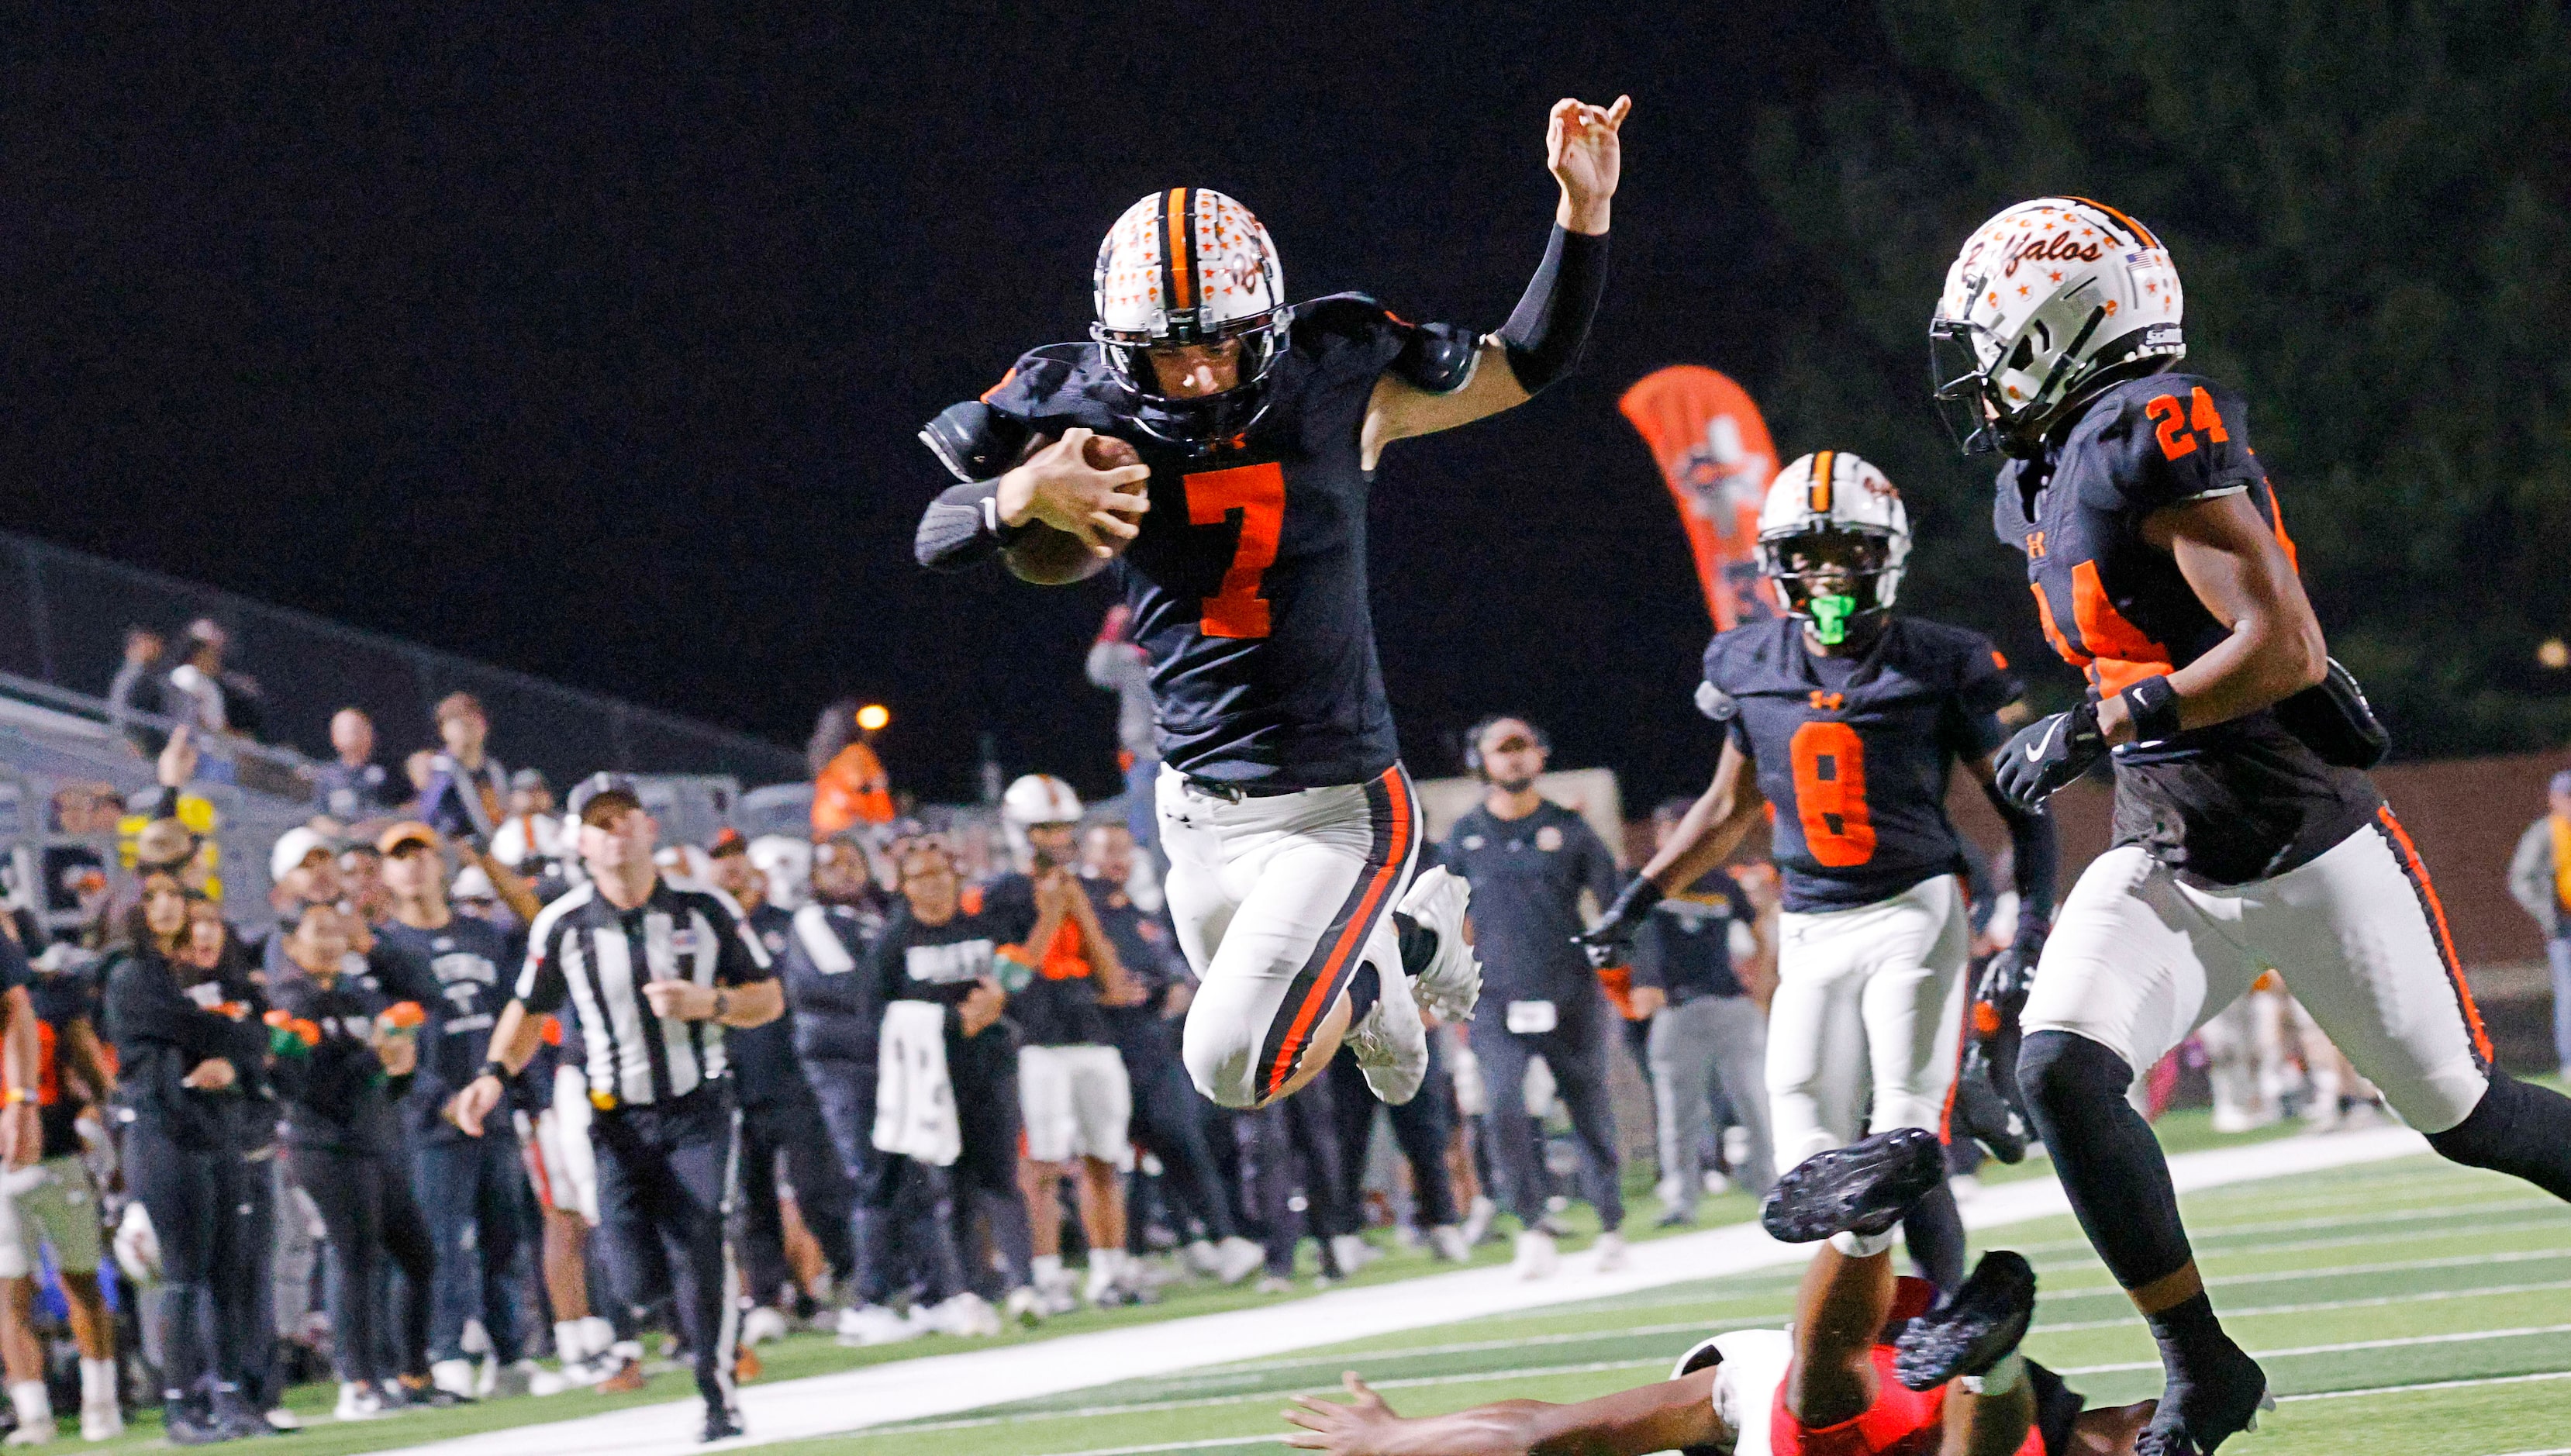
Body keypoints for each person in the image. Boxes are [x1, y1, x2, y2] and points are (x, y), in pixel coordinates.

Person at [1927, 195, 2571, 1454]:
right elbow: (2142, 647)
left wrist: (2097, 725)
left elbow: (2284, 645)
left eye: (1999, 335)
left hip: (2306, 851)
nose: (1984, 370)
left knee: (2469, 1116)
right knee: (2064, 1068)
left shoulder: (2151, 423)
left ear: (2066, 322)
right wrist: (2109, 724)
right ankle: (2202, 1366)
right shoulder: (2042, 475)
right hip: (2170, 852)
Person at [912, 95, 1632, 1113]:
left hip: (1337, 803)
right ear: (1119, 345)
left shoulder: (1338, 379)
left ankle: (1385, 950)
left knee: (1232, 1064)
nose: (1201, 372)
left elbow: (1529, 362)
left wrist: (1582, 212)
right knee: (1278, 1041)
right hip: (1191, 802)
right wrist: (1024, 492)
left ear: (1271, 325)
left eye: (1222, 343)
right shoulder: (1077, 411)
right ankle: (1397, 948)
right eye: (1171, 349)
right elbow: (936, 533)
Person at [1580, 454, 2058, 1297]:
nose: (1828, 572)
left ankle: (1951, 1311)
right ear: (1779, 561)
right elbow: (1724, 812)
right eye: (1810, 552)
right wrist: (1636, 900)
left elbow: (2023, 802)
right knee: (1805, 1137)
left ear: (1887, 553)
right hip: (1806, 924)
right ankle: (1881, 1323)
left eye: (1847, 550)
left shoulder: (1935, 661)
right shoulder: (1749, 662)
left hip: (1911, 910)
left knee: (1904, 1133)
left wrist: (2029, 925)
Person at [1279, 1129, 2155, 1456]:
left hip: (1922, 1366)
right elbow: (1541, 1434)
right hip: (1929, 1376)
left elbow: (1539, 1432)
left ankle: (1876, 1240)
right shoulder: (1728, 1402)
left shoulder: (1730, 1403)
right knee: (1829, 1395)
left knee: (1826, 1391)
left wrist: (1391, 1439)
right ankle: (1958, 1338)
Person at [450, 774, 783, 1444]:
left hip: (697, 1104)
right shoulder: (565, 923)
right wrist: (491, 1074)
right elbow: (528, 1007)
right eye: (601, 823)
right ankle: (662, 1319)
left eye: (626, 817)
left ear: (649, 828)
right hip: (612, 1116)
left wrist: (708, 1004)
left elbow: (768, 998)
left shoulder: (705, 907)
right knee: (634, 1276)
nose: (617, 831)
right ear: (580, 840)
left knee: (702, 1236)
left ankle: (716, 1391)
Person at [372, 822, 562, 1401]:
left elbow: (519, 1007)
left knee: (505, 1239)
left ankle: (509, 1356)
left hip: (494, 1107)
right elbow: (386, 1039)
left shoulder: (484, 936)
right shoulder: (386, 950)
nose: (413, 867)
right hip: (430, 1120)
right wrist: (439, 1099)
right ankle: (447, 1351)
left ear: (442, 864)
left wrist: (517, 1089)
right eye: (399, 858)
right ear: (385, 873)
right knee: (441, 1244)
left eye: (422, 854)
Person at [784, 835, 999, 1344]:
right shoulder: (815, 922)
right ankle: (869, 1302)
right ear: (812, 878)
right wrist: (947, 1013)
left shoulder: (884, 917)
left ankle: (933, 1294)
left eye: (852, 861)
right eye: (830, 865)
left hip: (895, 1059)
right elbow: (859, 989)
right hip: (845, 1063)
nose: (844, 872)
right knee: (874, 1177)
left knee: (914, 1174)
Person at [1441, 718, 1629, 1278]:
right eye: (1503, 749)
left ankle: (1611, 1225)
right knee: (1502, 1108)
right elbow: (1449, 918)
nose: (1514, 759)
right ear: (1481, 762)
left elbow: (1614, 905)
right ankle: (1532, 1226)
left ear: (1541, 756)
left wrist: (1625, 973)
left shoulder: (1570, 829)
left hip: (1569, 992)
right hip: (1495, 997)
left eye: (1523, 747)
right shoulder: (1464, 836)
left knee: (1589, 1107)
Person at [100, 871, 269, 1444]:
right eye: (152, 897)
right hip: (164, 1133)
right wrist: (229, 1034)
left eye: (175, 895)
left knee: (228, 1271)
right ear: (133, 909)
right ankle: (180, 1408)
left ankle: (231, 1399)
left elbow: (255, 1039)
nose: (167, 906)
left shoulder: (201, 974)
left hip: (216, 1129)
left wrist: (232, 1051)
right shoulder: (130, 975)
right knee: (182, 1274)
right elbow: (196, 1027)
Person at [264, 902, 446, 1420]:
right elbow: (308, 1088)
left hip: (377, 1137)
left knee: (417, 1255)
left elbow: (421, 1011)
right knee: (356, 1258)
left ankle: (412, 1373)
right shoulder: (292, 1002)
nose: (328, 941)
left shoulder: (357, 995)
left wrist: (401, 1069)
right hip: (327, 1145)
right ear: (293, 946)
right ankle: (357, 1379)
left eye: (335, 931)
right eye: (316, 931)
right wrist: (376, 1057)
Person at [985, 776, 1147, 1311]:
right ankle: (1048, 1275)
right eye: (1046, 828)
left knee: (1105, 1157)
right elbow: (1007, 977)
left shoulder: (1090, 889)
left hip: (1091, 1033)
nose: (1058, 838)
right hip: (1034, 1039)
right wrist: (1052, 912)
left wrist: (1076, 906)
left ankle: (1110, 1270)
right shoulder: (1001, 894)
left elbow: (1113, 981)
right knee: (1044, 1165)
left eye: (1063, 827)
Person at [863, 837, 1037, 1329]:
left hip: (992, 1066)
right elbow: (875, 1015)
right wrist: (953, 1020)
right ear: (902, 885)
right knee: (952, 1185)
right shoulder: (893, 942)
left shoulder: (985, 927)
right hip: (933, 1079)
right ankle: (968, 1290)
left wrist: (999, 1004)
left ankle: (1023, 1282)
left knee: (1002, 1175)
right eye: (921, 875)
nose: (934, 884)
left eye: (941, 872)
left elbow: (1021, 974)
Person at [702, 830, 857, 1334]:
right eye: (719, 860)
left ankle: (849, 1275)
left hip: (790, 1074)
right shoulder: (699, 934)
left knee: (818, 1188)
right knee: (751, 1198)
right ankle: (767, 1296)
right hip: (730, 1079)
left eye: (736, 857)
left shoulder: (786, 926)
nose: (731, 868)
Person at [1631, 799, 1777, 1222]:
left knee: (1754, 1102)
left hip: (1729, 1006)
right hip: (1675, 1011)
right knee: (1678, 1113)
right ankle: (1682, 1200)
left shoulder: (1721, 882)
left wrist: (1762, 985)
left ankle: (1772, 1189)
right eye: (1670, 829)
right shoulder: (1645, 882)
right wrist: (1641, 985)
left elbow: (1760, 927)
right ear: (1659, 836)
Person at [1085, 606, 1163, 868]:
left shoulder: (1176, 649)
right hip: (1144, 757)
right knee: (1144, 836)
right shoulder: (1130, 657)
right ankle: (1153, 901)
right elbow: (1097, 671)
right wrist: (1112, 629)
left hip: (1184, 755)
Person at [2507, 770, 2571, 1081]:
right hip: (2565, 927)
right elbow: (2521, 878)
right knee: (2568, 994)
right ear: (2554, 800)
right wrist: (2547, 914)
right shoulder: (2545, 833)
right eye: (2566, 797)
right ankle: (2570, 1061)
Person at [418, 695, 508, 846]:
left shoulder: (493, 769)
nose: (468, 723)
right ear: (443, 730)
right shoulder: (441, 773)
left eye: (473, 717)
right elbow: (434, 825)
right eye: (458, 719)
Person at [310, 709, 399, 823]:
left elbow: (410, 806)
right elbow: (318, 816)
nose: (351, 735)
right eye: (344, 731)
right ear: (334, 737)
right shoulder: (327, 777)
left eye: (356, 729)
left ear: (370, 733)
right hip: (343, 837)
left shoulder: (390, 769)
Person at [106, 627, 167, 757]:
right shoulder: (133, 676)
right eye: (147, 642)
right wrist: (129, 741)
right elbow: (121, 712)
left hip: (145, 747)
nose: (155, 647)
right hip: (132, 747)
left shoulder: (150, 675)